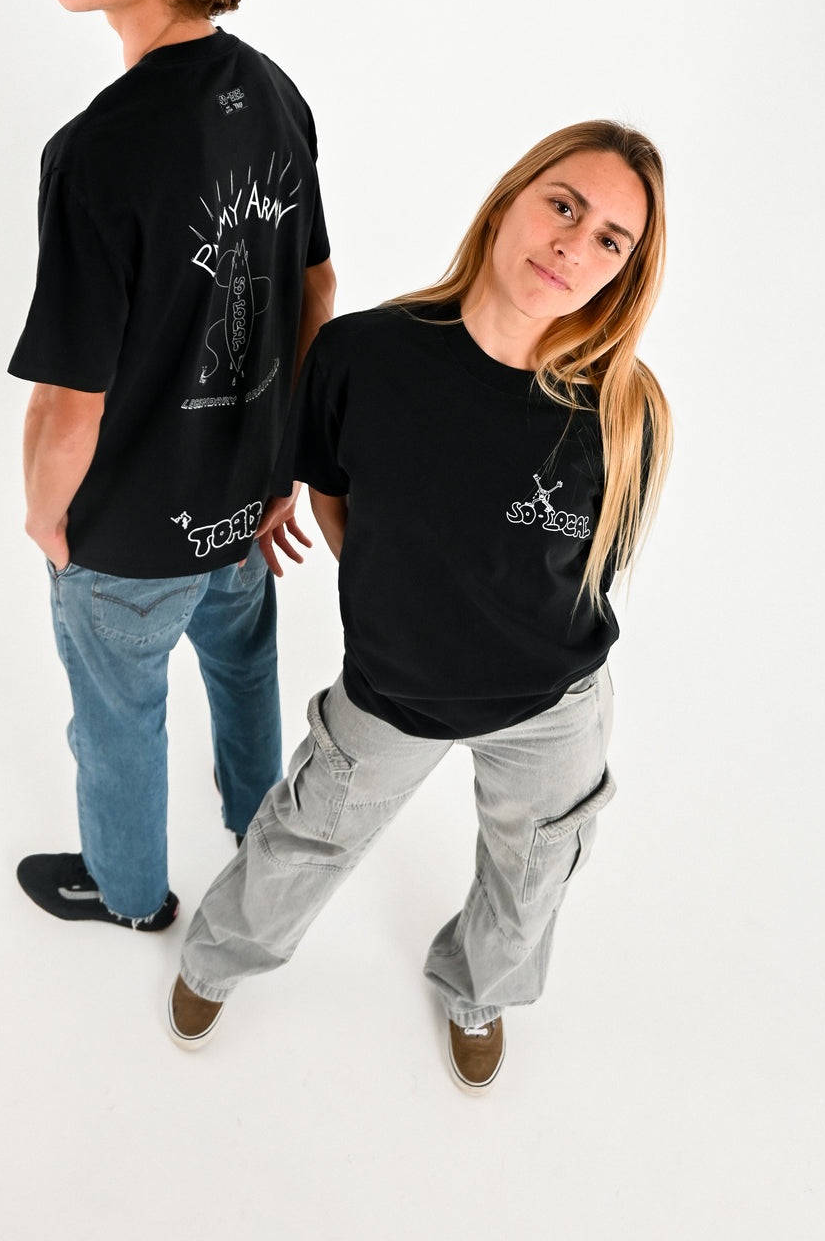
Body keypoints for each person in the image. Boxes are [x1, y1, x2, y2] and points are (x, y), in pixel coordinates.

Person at [167, 120, 671, 1093]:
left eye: (610, 239)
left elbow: (590, 569)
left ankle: (479, 993)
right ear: (510, 198)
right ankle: (217, 960)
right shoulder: (364, 355)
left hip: (551, 709)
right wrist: (403, 595)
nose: (574, 246)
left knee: (530, 879)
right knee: (304, 837)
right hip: (391, 689)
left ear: (624, 271)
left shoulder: (623, 409)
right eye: (564, 206)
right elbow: (331, 492)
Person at [8, 0, 335, 932]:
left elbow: (70, 399)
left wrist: (47, 520)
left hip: (130, 538)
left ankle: (132, 893)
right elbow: (316, 292)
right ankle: (263, 835)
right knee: (245, 673)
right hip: (244, 506)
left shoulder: (95, 155)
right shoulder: (274, 96)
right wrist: (279, 465)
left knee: (116, 720)